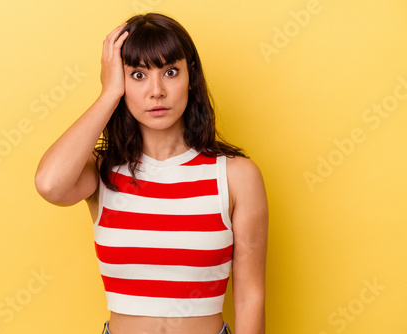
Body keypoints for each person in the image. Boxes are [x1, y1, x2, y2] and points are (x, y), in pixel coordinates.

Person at [35, 13, 268, 334]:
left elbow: (250, 298)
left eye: (170, 72)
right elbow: (50, 185)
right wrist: (107, 94)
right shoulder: (101, 171)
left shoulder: (236, 176)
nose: (156, 91)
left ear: (191, 77)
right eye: (138, 75)